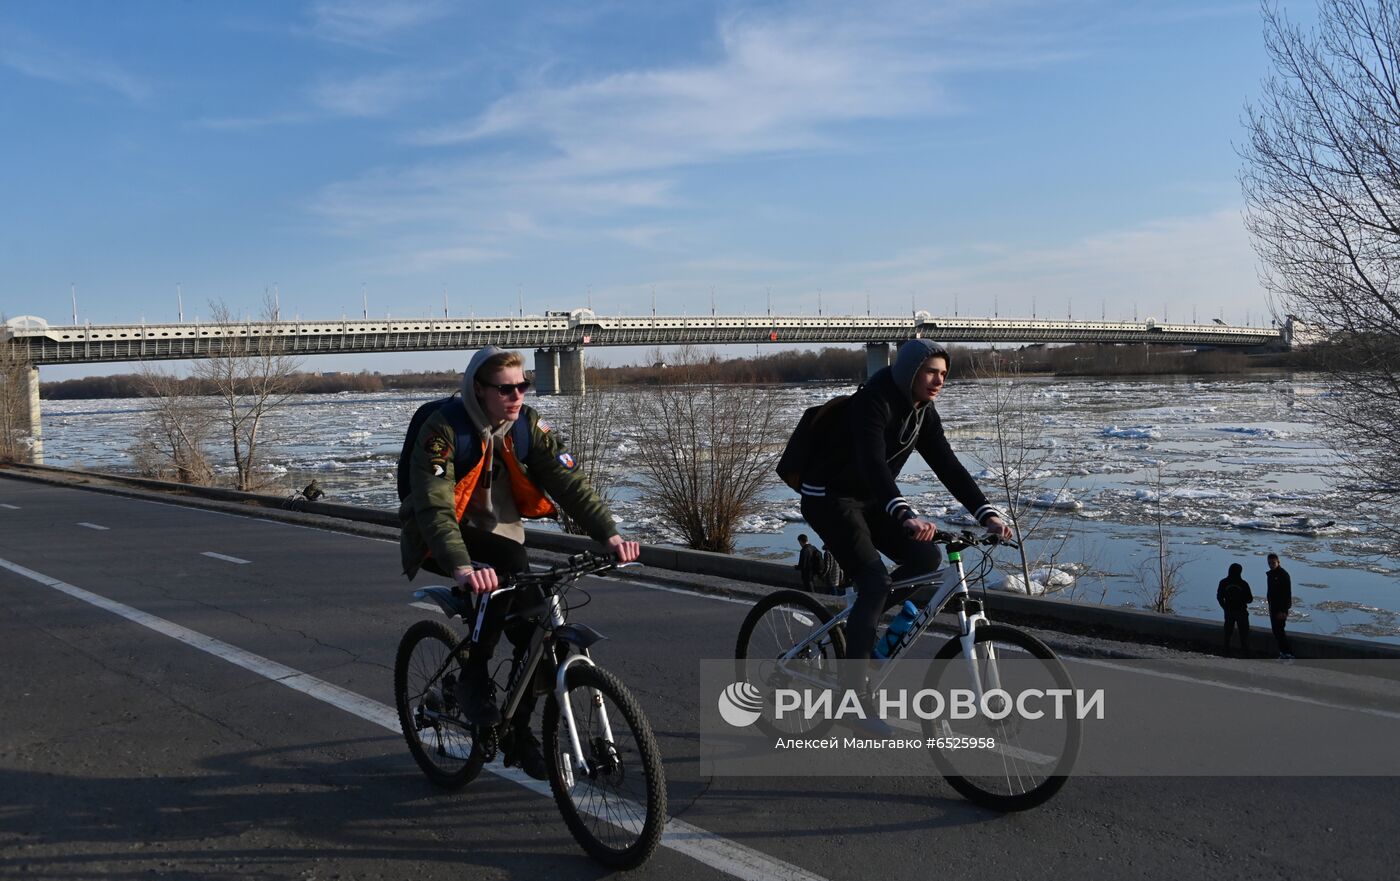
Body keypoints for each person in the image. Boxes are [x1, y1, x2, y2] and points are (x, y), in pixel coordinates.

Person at [399, 346, 639, 780]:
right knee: (510, 559)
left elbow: (568, 481)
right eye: (506, 388)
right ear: (479, 389)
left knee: (536, 635)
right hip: (441, 538)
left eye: (522, 386)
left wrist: (610, 535)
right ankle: (473, 676)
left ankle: (516, 733)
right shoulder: (443, 430)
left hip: (499, 536)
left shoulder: (525, 425)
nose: (517, 396)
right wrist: (460, 565)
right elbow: (434, 507)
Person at [799, 338, 1011, 734]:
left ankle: (862, 622)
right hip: (830, 497)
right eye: (931, 371)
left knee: (926, 560)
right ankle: (852, 700)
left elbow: (948, 465)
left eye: (944, 374)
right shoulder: (874, 401)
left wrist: (986, 513)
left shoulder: (923, 413)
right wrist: (904, 512)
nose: (938, 381)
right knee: (875, 583)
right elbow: (873, 463)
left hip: (870, 498)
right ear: (911, 371)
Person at [1217, 562, 1254, 657]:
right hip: (1241, 611)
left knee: (1228, 632)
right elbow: (1250, 599)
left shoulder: (1223, 582)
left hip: (1229, 611)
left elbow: (1219, 597)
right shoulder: (1243, 584)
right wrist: (1241, 599)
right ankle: (1245, 653)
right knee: (1244, 633)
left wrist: (1224, 607)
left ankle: (1226, 650)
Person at [1266, 552, 1294, 659]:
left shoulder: (1283, 575)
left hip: (1280, 609)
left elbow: (1287, 594)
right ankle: (1283, 652)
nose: (1271, 565)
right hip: (1273, 608)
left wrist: (1284, 610)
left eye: (1273, 563)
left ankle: (1288, 653)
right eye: (1269, 563)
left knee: (1279, 631)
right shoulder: (1271, 575)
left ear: (1278, 562)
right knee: (1276, 631)